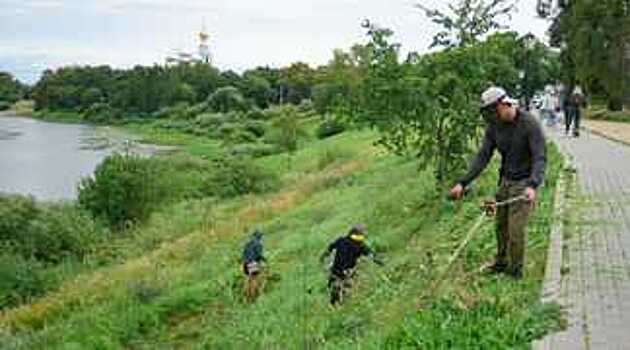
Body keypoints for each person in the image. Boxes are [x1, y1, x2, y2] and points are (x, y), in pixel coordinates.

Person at [449, 86, 546, 279]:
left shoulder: (529, 124)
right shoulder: (495, 127)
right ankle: (501, 262)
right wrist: (463, 182)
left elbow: (540, 157)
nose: (491, 116)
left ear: (504, 104)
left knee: (515, 231)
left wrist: (533, 185)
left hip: (524, 183)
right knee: (501, 226)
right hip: (505, 181)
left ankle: (515, 271)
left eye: (493, 111)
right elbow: (483, 156)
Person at [320, 224, 382, 305]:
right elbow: (371, 254)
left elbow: (330, 248)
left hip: (338, 271)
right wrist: (379, 261)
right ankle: (339, 305)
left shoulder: (342, 240)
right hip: (346, 272)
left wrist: (323, 257)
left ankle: (336, 305)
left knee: (337, 291)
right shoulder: (360, 245)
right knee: (343, 290)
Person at [242, 229, 267, 301]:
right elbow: (258, 255)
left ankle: (245, 296)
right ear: (259, 237)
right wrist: (264, 260)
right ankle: (253, 297)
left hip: (245, 263)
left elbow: (243, 254)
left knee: (247, 279)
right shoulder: (258, 244)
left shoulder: (247, 243)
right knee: (254, 279)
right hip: (253, 263)